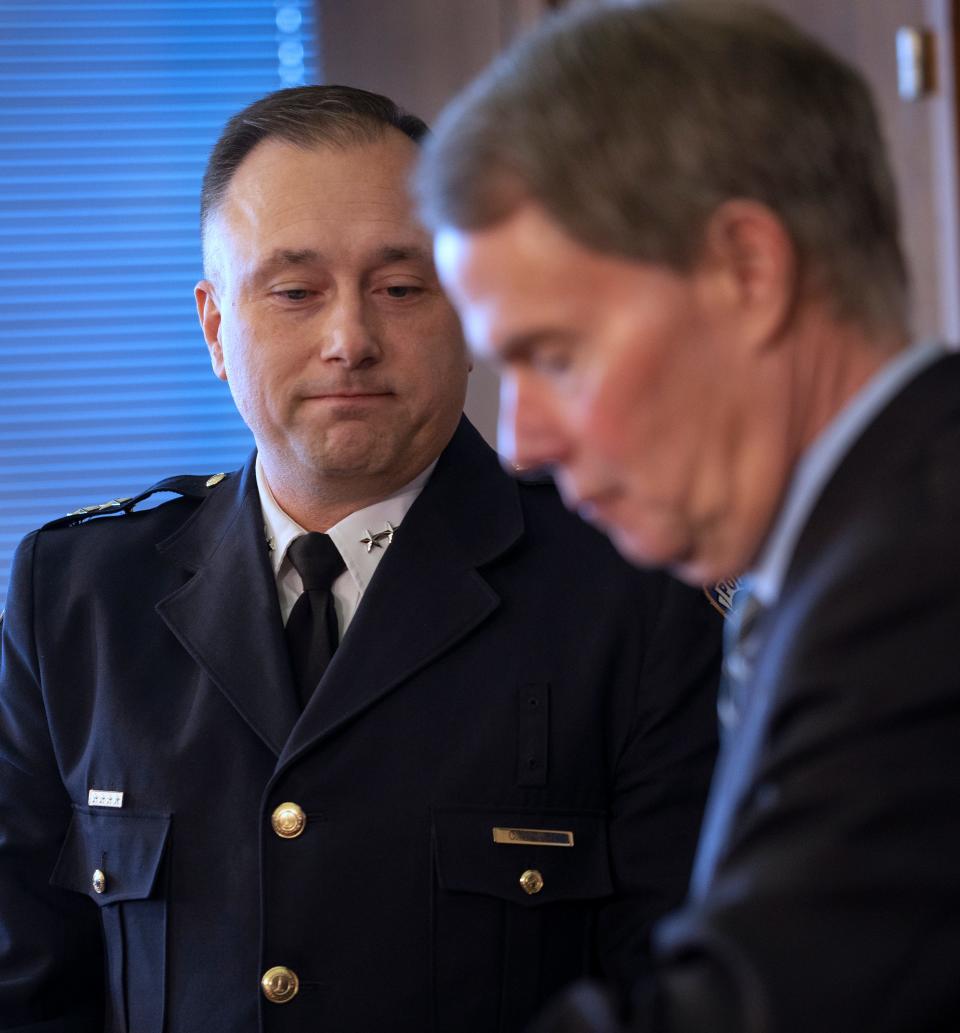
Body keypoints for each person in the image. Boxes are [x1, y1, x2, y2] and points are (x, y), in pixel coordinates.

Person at [0, 85, 721, 1033]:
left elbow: (682, 991)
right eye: (295, 291)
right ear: (217, 328)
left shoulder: (629, 593)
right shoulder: (78, 598)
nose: (350, 340)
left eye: (401, 288)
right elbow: (25, 988)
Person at [417, 2, 960, 1031]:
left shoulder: (922, 578)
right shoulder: (855, 549)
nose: (522, 440)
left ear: (745, 270)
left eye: (558, 355)